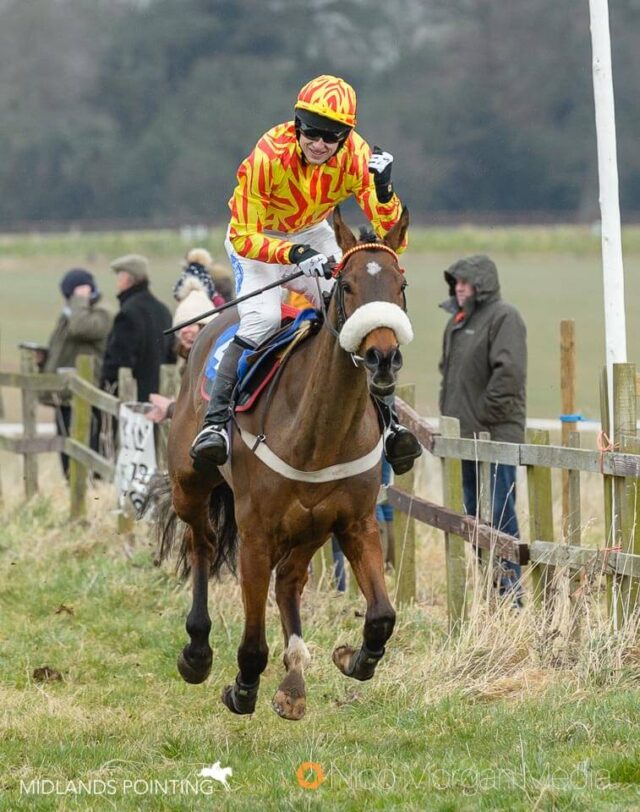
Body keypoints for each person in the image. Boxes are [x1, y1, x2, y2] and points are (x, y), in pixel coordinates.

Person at [190, 74, 422, 475]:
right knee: (262, 318)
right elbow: (244, 236)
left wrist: (384, 192)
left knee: (359, 312)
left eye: (331, 137)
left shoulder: (357, 158)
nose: (318, 144)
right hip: (259, 237)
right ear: (297, 125)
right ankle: (214, 426)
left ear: (345, 138)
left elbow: (392, 242)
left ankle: (389, 423)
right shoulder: (267, 157)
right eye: (311, 132)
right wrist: (294, 253)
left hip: (314, 231)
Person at [438, 254, 527, 601]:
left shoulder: (504, 317)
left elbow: (509, 374)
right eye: (456, 282)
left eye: (466, 282)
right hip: (466, 438)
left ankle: (511, 596)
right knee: (475, 515)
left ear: (482, 284)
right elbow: (450, 377)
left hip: (494, 435)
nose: (459, 288)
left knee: (501, 515)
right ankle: (493, 590)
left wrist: (485, 419)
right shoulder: (457, 322)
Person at [41, 268, 113, 477]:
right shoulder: (72, 314)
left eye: (70, 295)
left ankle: (90, 491)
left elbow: (81, 328)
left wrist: (79, 300)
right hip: (65, 394)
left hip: (86, 393)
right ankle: (70, 486)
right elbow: (59, 348)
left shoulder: (102, 312)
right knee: (66, 450)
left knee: (86, 447)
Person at [100, 254, 175, 403]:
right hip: (160, 396)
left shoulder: (128, 313)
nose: (117, 283)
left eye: (119, 277)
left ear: (128, 279)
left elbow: (119, 360)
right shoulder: (163, 310)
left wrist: (105, 385)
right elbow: (170, 354)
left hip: (134, 399)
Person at [147, 282, 216, 423]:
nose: (184, 331)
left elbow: (206, 409)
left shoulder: (214, 366)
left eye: (190, 324)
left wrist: (171, 408)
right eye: (180, 327)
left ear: (206, 328)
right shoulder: (186, 363)